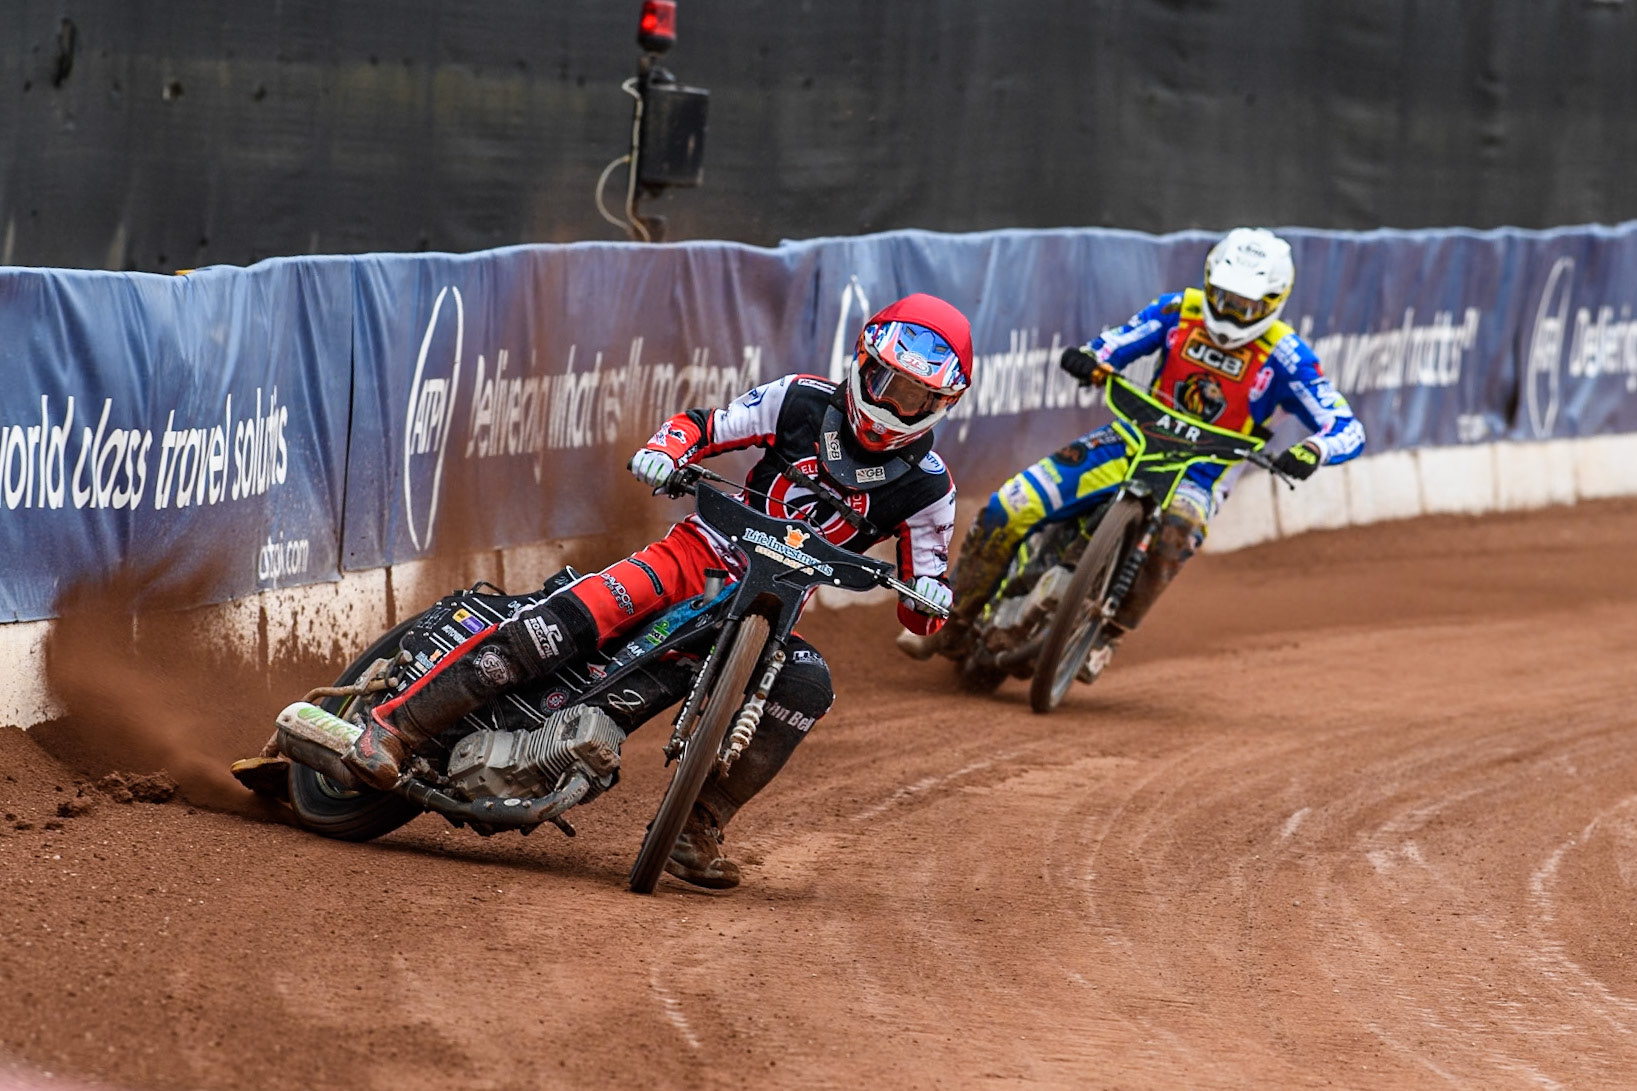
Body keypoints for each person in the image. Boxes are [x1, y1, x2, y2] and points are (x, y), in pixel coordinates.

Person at [345, 293, 972, 889]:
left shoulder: (929, 490)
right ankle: (394, 728)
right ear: (862, 363)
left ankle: (697, 827)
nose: (894, 402)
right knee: (569, 619)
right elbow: (706, 426)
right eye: (887, 381)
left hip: (770, 608)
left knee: (808, 686)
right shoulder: (799, 400)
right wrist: (666, 448)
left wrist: (929, 597)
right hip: (697, 556)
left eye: (916, 394)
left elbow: (925, 598)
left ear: (940, 404)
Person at [901, 227, 1365, 675]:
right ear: (1208, 281)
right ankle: (948, 620)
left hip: (1202, 472)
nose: (1229, 312)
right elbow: (1117, 342)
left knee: (1180, 526)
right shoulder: (1179, 311)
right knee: (1009, 505)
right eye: (1223, 297)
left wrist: (1313, 451)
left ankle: (1107, 636)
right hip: (1130, 442)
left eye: (1245, 305)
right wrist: (1093, 359)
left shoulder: (1288, 356)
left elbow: (1344, 426)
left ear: (1273, 303)